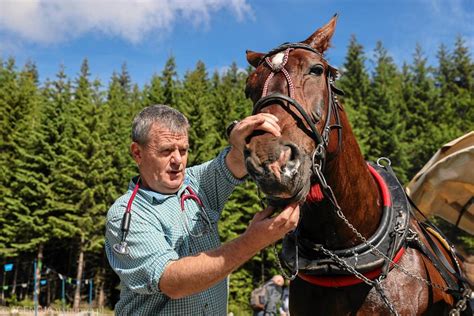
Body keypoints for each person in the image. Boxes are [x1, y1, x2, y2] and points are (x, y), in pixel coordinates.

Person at [104, 104, 300, 315]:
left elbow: (236, 160)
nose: (178, 160)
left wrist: (243, 141)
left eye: (183, 150)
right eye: (166, 151)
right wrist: (252, 241)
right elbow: (172, 282)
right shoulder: (127, 214)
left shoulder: (196, 184)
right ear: (137, 153)